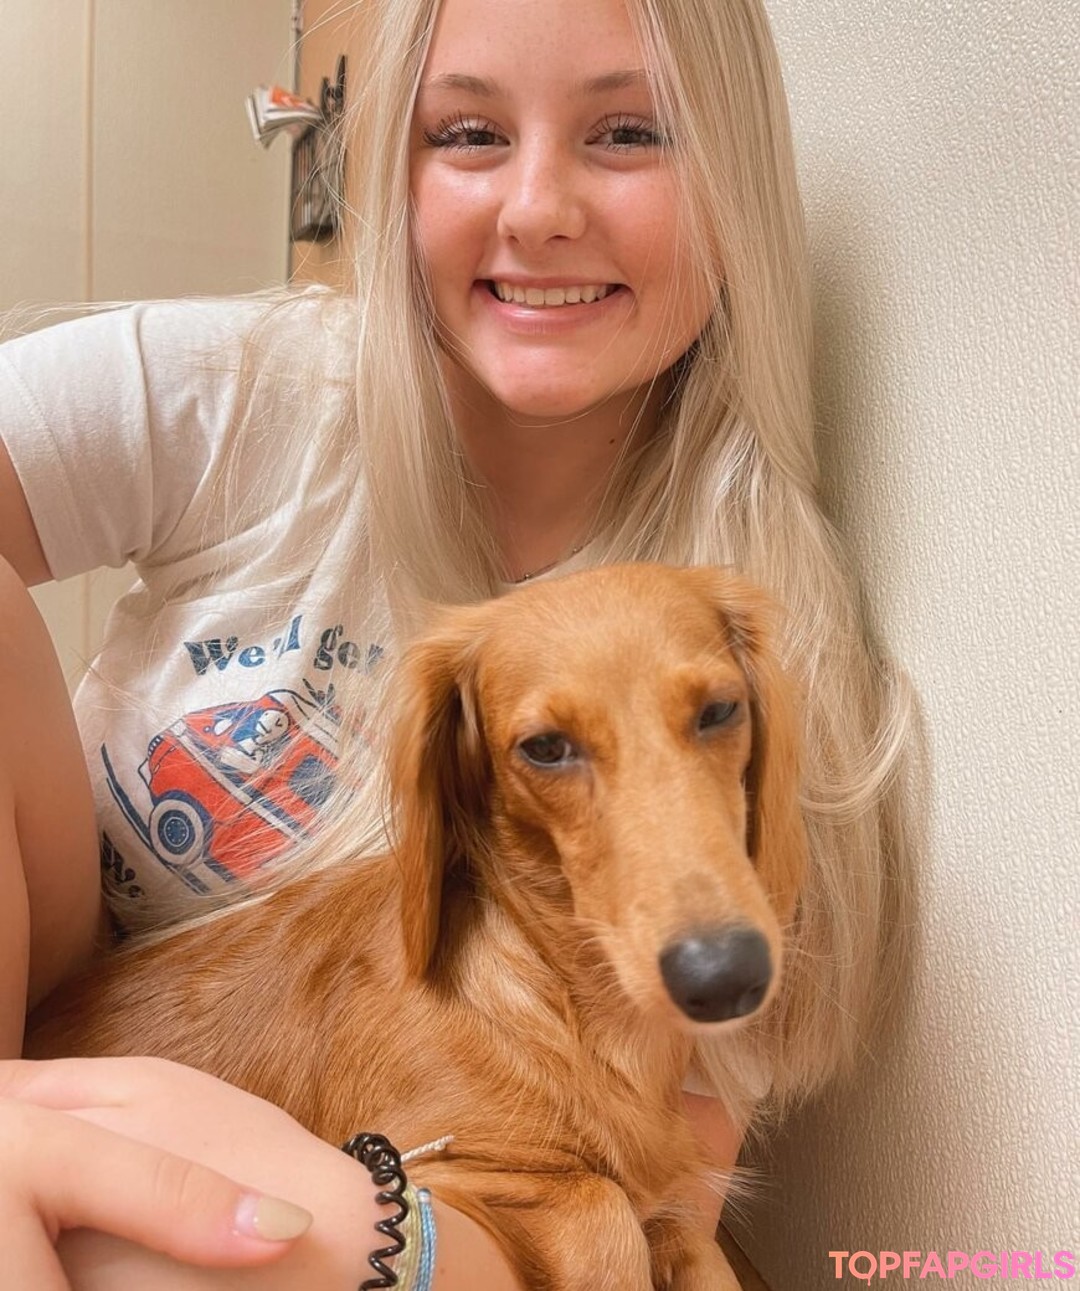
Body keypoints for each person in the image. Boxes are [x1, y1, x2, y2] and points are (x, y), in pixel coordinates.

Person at [0, 0, 907, 1285]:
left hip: (360, 1211)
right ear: (393, 174)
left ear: (735, 179)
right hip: (49, 1006)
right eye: (470, 133)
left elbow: (664, 1218)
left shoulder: (770, 621)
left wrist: (373, 1236)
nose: (538, 209)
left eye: (629, 131)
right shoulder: (245, 390)